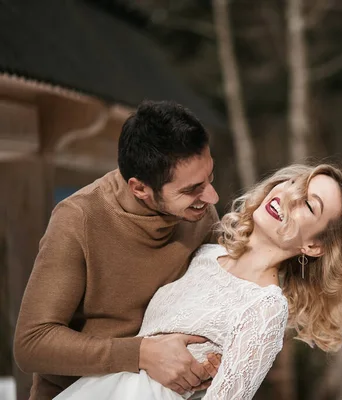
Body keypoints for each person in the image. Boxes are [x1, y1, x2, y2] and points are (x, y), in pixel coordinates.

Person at [55, 163, 342, 400]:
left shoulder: (265, 307)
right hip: (99, 388)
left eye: (308, 204)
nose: (289, 196)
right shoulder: (204, 253)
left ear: (313, 245)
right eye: (295, 183)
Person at [14, 101, 223, 399]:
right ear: (139, 189)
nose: (212, 197)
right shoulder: (78, 219)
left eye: (210, 177)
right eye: (191, 189)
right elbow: (31, 343)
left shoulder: (199, 214)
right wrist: (140, 354)